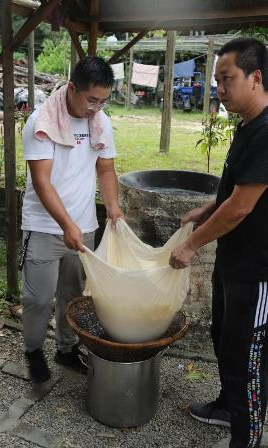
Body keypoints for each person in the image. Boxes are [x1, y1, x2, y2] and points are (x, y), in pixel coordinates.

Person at [169, 37, 268, 448]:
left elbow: (242, 208)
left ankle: (246, 437)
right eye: (217, 81)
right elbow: (239, 191)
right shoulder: (247, 127)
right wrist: (208, 209)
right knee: (225, 344)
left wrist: (191, 246)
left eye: (226, 80)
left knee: (247, 362)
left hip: (258, 270)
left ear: (256, 77)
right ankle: (229, 408)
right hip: (233, 262)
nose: (219, 90)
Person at [20, 56, 124, 383]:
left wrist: (113, 207)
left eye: (103, 101)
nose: (96, 108)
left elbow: (105, 168)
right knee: (37, 298)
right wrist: (66, 225)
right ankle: (34, 350)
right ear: (73, 88)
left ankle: (66, 349)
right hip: (44, 226)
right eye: (91, 99)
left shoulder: (100, 122)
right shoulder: (41, 122)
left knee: (74, 294)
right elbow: (42, 181)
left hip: (84, 228)